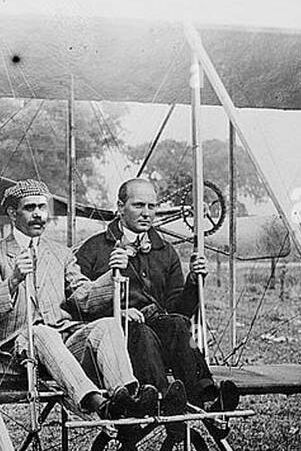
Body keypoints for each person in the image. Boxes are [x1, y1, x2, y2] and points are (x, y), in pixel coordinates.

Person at [0, 179, 153, 420]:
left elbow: (84, 298)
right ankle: (96, 403)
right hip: (14, 351)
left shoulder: (61, 253)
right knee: (41, 333)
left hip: (63, 342)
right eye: (30, 208)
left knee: (107, 325)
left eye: (42, 207)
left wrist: (113, 275)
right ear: (12, 213)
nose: (39, 214)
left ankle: (125, 397)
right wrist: (13, 280)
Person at [73, 176, 237, 416]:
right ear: (120, 207)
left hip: (159, 330)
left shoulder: (165, 251)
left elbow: (177, 309)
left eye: (152, 207)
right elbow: (79, 303)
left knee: (179, 325)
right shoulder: (94, 250)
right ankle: (160, 397)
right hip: (116, 337)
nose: (146, 213)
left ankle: (205, 396)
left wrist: (193, 282)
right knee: (140, 330)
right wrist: (116, 312)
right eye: (138, 205)